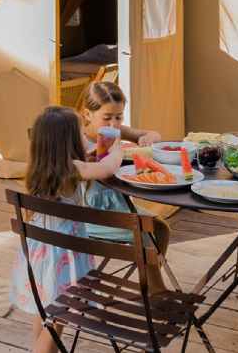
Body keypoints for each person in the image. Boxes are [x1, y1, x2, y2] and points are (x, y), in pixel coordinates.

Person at [10, 106, 124, 353]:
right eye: (81, 135)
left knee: (46, 309)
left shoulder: (40, 168)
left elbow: (87, 163)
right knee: (60, 312)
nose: (85, 139)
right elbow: (108, 168)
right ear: (68, 142)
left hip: (39, 254)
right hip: (63, 257)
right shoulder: (73, 168)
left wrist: (93, 153)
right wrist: (117, 149)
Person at [76, 82, 172, 292]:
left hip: (116, 204)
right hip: (90, 212)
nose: (113, 123)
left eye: (119, 117)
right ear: (88, 114)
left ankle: (150, 278)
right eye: (107, 117)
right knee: (150, 231)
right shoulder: (79, 138)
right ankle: (156, 290)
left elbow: (153, 134)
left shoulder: (115, 131)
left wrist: (147, 138)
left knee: (161, 228)